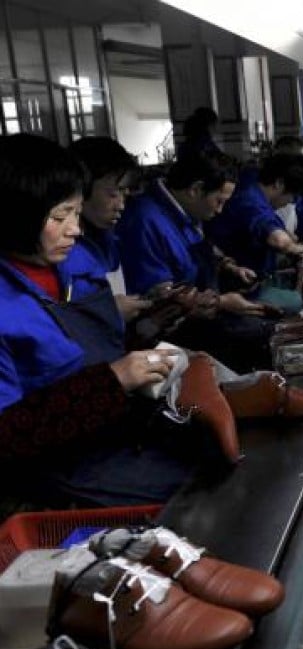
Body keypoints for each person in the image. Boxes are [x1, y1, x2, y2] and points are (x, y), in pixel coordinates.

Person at [0, 133, 200, 505]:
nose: (74, 229)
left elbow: (104, 345)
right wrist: (114, 380)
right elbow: (8, 435)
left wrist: (153, 342)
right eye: (59, 216)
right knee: (194, 500)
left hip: (123, 434)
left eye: (76, 213)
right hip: (65, 472)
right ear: (17, 215)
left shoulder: (75, 264)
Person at [116, 150, 276, 372]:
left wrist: (229, 267)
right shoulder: (144, 221)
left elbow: (199, 245)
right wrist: (220, 302)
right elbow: (160, 300)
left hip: (199, 316)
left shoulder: (182, 211)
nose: (220, 210)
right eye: (218, 201)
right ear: (196, 190)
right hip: (167, 337)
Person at [205, 154, 303, 313]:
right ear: (278, 184)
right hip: (240, 289)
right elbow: (278, 240)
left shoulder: (252, 183)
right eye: (292, 196)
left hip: (252, 273)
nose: (291, 202)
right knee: (297, 302)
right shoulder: (250, 201)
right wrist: (297, 250)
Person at [68, 137, 151, 322]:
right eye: (113, 194)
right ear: (82, 189)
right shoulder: (63, 250)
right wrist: (108, 314)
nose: (121, 205)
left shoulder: (108, 239)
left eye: (125, 194)